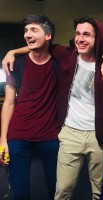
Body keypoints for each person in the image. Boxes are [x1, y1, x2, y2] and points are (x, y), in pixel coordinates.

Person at [2, 16, 103, 200]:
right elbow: (39, 45)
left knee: (96, 190)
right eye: (78, 34)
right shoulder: (64, 57)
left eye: (87, 34)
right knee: (53, 190)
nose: (80, 38)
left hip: (87, 136)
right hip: (56, 133)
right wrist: (12, 51)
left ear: (96, 38)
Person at [0, 15, 60, 200]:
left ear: (48, 35)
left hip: (50, 134)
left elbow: (88, 51)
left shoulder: (59, 61)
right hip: (18, 134)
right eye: (26, 30)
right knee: (20, 192)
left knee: (56, 188)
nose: (27, 34)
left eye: (34, 30)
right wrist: (2, 140)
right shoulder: (15, 63)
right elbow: (9, 103)